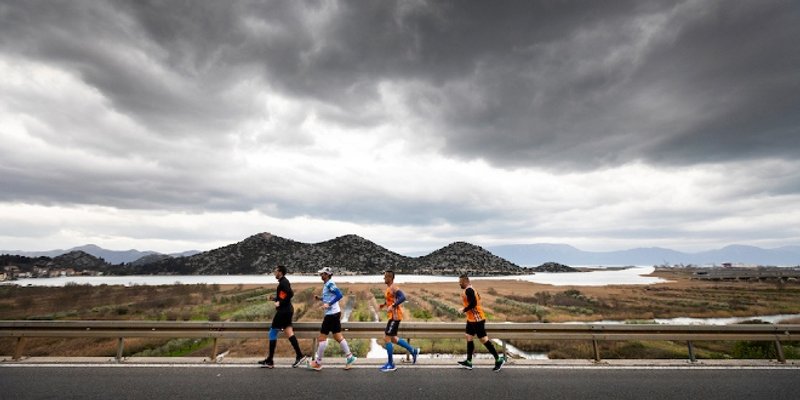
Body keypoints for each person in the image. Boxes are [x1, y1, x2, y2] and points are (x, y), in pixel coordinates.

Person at [307, 267, 357, 371]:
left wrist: (328, 304)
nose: (321, 275)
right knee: (338, 336)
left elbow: (339, 295)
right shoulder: (327, 284)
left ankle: (318, 363)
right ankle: (350, 357)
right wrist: (320, 298)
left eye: (323, 274)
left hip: (331, 315)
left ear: (327, 275)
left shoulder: (330, 284)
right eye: (321, 274)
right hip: (334, 314)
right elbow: (329, 297)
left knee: (322, 338)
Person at [258, 265, 308, 368]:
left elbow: (290, 294)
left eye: (275, 271)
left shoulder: (283, 282)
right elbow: (284, 295)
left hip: (283, 311)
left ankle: (270, 361)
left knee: (272, 332)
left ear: (280, 272)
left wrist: (280, 303)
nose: (274, 273)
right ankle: (300, 356)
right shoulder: (283, 281)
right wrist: (274, 299)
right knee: (289, 332)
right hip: (287, 310)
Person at [457, 274, 505, 372]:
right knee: (469, 337)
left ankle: (498, 359)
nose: (459, 284)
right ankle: (469, 361)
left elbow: (473, 303)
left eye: (461, 282)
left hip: (477, 319)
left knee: (483, 339)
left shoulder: (469, 290)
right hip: (471, 319)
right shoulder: (470, 289)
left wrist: (464, 310)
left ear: (466, 281)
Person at [378, 270, 419, 372]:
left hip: (395, 317)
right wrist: (384, 304)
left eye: (385, 277)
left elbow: (403, 297)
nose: (384, 278)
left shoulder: (394, 287)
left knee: (387, 338)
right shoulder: (389, 288)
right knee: (393, 339)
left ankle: (391, 364)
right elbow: (391, 299)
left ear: (390, 278)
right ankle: (413, 350)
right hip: (393, 316)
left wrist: (393, 306)